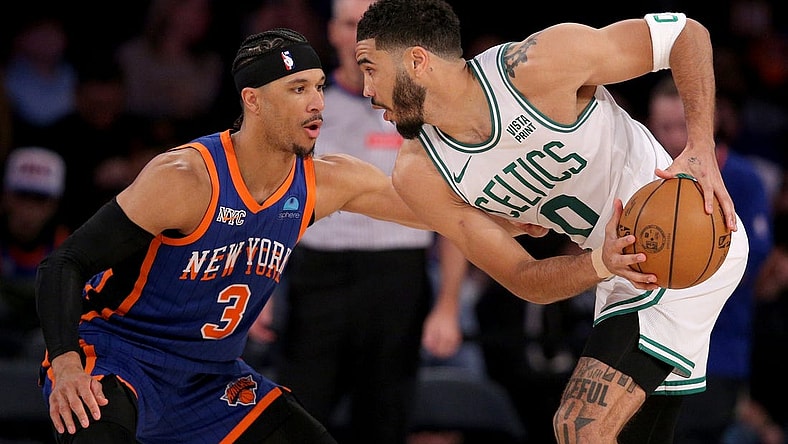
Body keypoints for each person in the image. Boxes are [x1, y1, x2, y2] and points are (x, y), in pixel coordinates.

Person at [354, 1, 749, 443]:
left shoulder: (537, 65)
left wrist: (700, 145)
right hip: (622, 270)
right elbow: (524, 278)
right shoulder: (420, 172)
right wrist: (599, 264)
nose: (366, 88)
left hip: (683, 239)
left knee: (579, 425)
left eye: (370, 69)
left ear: (417, 60)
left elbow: (685, 34)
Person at [34, 28, 449, 444]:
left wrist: (495, 196)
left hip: (210, 377)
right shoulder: (186, 178)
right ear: (253, 100)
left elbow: (439, 212)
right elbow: (64, 263)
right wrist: (66, 363)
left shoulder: (326, 181)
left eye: (319, 87)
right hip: (120, 356)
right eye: (298, 89)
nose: (317, 103)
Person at [245, 3, 465, 443]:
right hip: (316, 277)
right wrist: (256, 288)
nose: (362, 38)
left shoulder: (428, 110)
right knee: (298, 417)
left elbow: (455, 211)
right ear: (332, 32)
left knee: (385, 420)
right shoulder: (301, 105)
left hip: (399, 278)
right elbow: (261, 199)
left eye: (371, 26)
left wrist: (448, 306)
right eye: (351, 25)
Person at [646, 75, 774, 444]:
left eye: (683, 126)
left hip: (718, 352)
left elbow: (754, 265)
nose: (674, 139)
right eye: (664, 128)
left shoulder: (743, 179)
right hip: (652, 347)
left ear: (709, 120)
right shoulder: (648, 177)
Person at [0, 146, 69, 360]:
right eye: (22, 196)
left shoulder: (68, 248)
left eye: (39, 199)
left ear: (53, 204)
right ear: (6, 197)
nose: (28, 210)